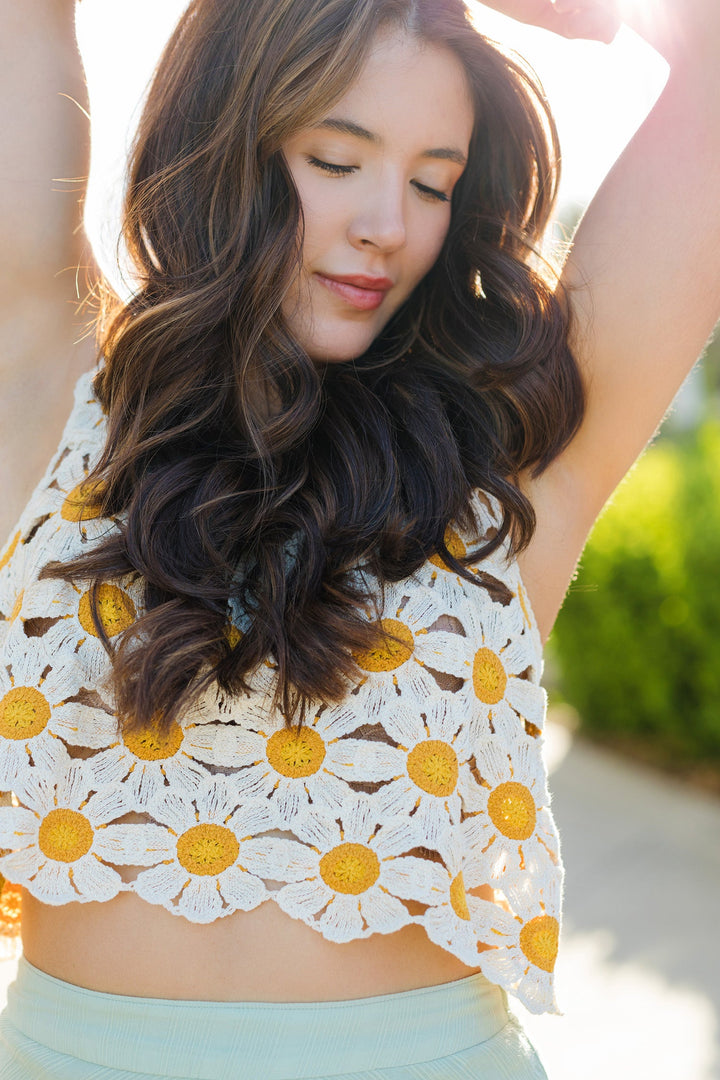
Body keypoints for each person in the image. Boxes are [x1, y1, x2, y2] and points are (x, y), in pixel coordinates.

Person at [0, 0, 717, 1077]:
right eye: (338, 160)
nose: (392, 222)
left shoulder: (509, 459)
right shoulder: (51, 400)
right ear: (227, 144)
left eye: (434, 183)